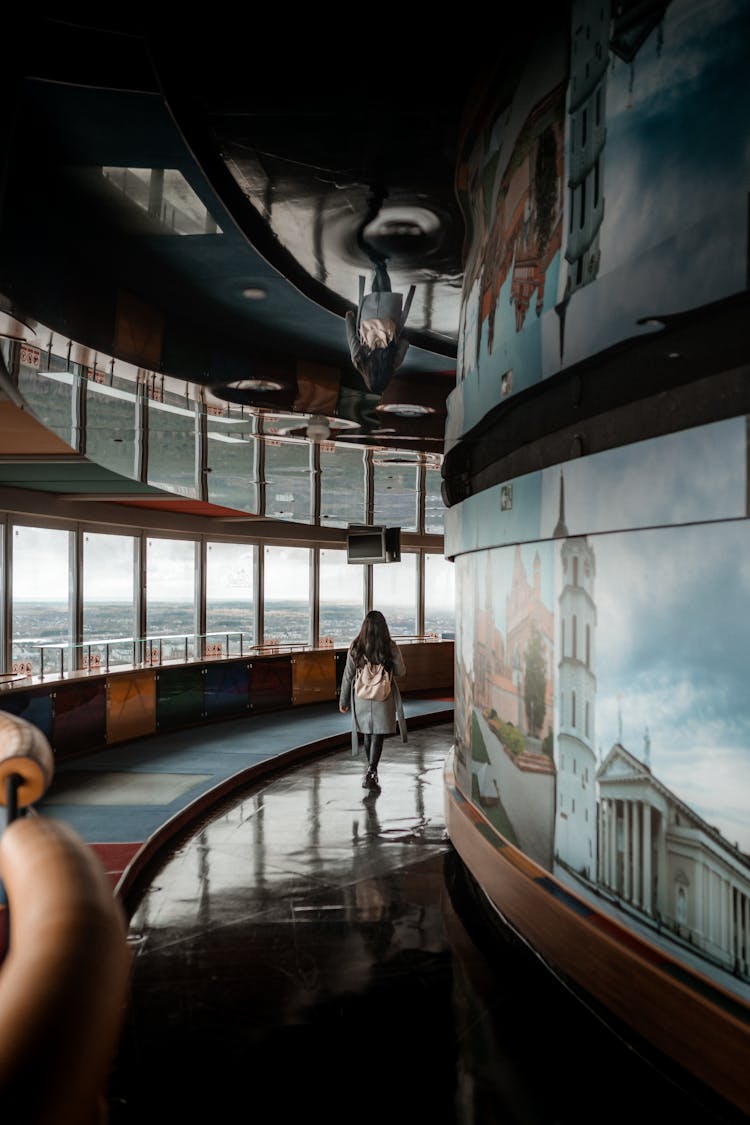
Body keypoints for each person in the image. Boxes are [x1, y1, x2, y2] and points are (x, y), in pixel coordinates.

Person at [339, 609, 406, 790]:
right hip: (383, 696)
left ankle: (371, 769)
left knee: (368, 733)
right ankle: (371, 770)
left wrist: (343, 701)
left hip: (362, 696)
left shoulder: (356, 646)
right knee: (378, 734)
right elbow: (401, 671)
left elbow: (348, 675)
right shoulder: (389, 646)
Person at [345, 261, 415, 395]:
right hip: (368, 320)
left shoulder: (392, 364)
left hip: (388, 321)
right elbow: (352, 338)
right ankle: (378, 266)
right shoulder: (359, 363)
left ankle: (380, 264)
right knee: (375, 293)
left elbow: (405, 343)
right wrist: (349, 318)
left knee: (386, 290)